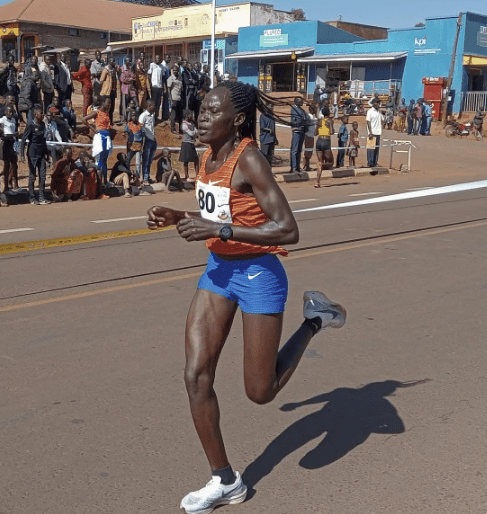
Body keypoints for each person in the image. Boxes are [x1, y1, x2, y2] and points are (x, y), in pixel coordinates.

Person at [146, 80, 346, 514]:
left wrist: (218, 231)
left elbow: (288, 229)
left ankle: (315, 319)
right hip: (218, 271)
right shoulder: (206, 156)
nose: (201, 117)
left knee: (261, 391)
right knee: (195, 376)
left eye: (211, 111)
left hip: (259, 274)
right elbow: (220, 214)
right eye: (200, 109)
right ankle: (225, 480)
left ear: (236, 120)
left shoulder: (249, 159)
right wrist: (179, 216)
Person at [19, 106, 51, 205]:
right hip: (32, 152)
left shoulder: (42, 125)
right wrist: (22, 154)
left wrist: (47, 154)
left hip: (41, 152)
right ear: (36, 114)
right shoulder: (30, 125)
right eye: (41, 113)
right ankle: (32, 197)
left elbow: (43, 140)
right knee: (32, 176)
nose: (43, 115)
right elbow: (24, 139)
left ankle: (41, 197)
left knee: (42, 175)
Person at [84, 96, 112, 183]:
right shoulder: (96, 112)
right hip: (100, 137)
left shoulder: (106, 112)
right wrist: (93, 129)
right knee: (99, 159)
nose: (109, 105)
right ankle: (98, 182)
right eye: (108, 103)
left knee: (104, 160)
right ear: (103, 103)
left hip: (107, 137)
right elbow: (84, 119)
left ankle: (105, 181)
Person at [0, 103, 20, 194]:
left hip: (13, 143)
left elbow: (14, 131)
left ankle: (15, 184)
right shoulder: (1, 120)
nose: (10, 113)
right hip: (5, 143)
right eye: (9, 112)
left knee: (14, 165)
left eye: (12, 112)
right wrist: (7, 136)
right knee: (6, 165)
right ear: (5, 112)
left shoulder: (14, 119)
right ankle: (6, 186)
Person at [314, 107, 334, 188]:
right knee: (331, 163)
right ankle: (322, 164)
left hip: (319, 141)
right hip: (326, 141)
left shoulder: (319, 121)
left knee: (320, 162)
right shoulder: (330, 121)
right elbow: (332, 132)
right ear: (328, 113)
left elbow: (315, 133)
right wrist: (329, 126)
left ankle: (317, 181)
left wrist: (319, 126)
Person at [139, 100, 158, 186]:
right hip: (147, 140)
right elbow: (140, 129)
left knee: (150, 160)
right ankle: (145, 178)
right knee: (145, 160)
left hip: (153, 139)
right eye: (153, 105)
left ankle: (148, 176)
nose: (155, 107)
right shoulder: (143, 116)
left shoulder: (152, 115)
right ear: (149, 106)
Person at [179, 110, 199, 180]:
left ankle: (197, 175)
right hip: (186, 143)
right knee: (186, 161)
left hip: (191, 143)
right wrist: (194, 132)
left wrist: (194, 132)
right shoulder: (184, 125)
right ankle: (186, 176)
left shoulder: (192, 123)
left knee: (196, 159)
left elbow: (196, 132)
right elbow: (192, 133)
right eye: (191, 114)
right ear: (187, 116)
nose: (192, 116)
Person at [290, 96, 307, 173]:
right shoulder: (294, 109)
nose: (302, 102)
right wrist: (295, 127)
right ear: (296, 102)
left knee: (299, 150)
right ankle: (293, 167)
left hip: (302, 131)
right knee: (295, 150)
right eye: (301, 101)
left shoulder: (302, 110)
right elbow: (294, 120)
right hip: (297, 131)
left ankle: (297, 166)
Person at [125, 110, 144, 177]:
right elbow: (126, 135)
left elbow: (143, 136)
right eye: (133, 115)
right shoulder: (128, 125)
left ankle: (138, 177)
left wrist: (143, 146)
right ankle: (128, 174)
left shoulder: (140, 126)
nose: (134, 117)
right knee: (127, 160)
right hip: (130, 146)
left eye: (135, 115)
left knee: (138, 163)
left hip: (138, 147)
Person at [99, 58, 118, 124]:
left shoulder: (113, 70)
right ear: (109, 62)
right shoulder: (106, 70)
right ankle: (105, 121)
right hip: (107, 91)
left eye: (113, 61)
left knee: (112, 107)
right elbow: (101, 80)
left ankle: (111, 121)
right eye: (112, 61)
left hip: (112, 91)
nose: (113, 62)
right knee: (106, 107)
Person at [148, 55, 165, 124]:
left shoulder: (162, 66)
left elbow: (163, 77)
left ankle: (156, 117)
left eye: (159, 58)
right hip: (154, 87)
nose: (158, 59)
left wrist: (164, 86)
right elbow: (149, 75)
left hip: (160, 87)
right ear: (154, 58)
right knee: (153, 103)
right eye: (157, 58)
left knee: (158, 103)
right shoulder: (152, 65)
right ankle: (151, 117)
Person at [118, 58, 136, 124]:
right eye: (128, 61)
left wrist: (129, 79)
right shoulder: (122, 69)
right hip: (125, 90)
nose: (129, 62)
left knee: (131, 104)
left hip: (131, 90)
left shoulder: (130, 69)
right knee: (124, 105)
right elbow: (123, 80)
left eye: (130, 61)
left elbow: (134, 77)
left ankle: (129, 118)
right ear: (125, 62)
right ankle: (123, 119)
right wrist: (130, 79)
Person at [366, 97, 382, 168]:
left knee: (376, 149)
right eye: (377, 103)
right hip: (372, 133)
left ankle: (375, 162)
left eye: (379, 103)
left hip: (378, 132)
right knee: (370, 149)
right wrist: (370, 132)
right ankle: (370, 162)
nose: (378, 104)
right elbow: (368, 122)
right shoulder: (370, 111)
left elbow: (383, 120)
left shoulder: (379, 112)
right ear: (373, 103)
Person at [167, 65, 183, 133]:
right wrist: (170, 99)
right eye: (174, 70)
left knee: (180, 114)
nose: (175, 72)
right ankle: (172, 128)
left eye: (176, 70)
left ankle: (180, 128)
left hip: (179, 98)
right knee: (173, 114)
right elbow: (168, 89)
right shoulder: (171, 79)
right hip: (174, 98)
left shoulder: (180, 78)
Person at [302, 103, 317, 172]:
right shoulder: (310, 117)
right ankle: (306, 166)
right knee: (308, 150)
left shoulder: (312, 117)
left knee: (309, 150)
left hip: (310, 135)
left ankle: (307, 165)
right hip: (309, 135)